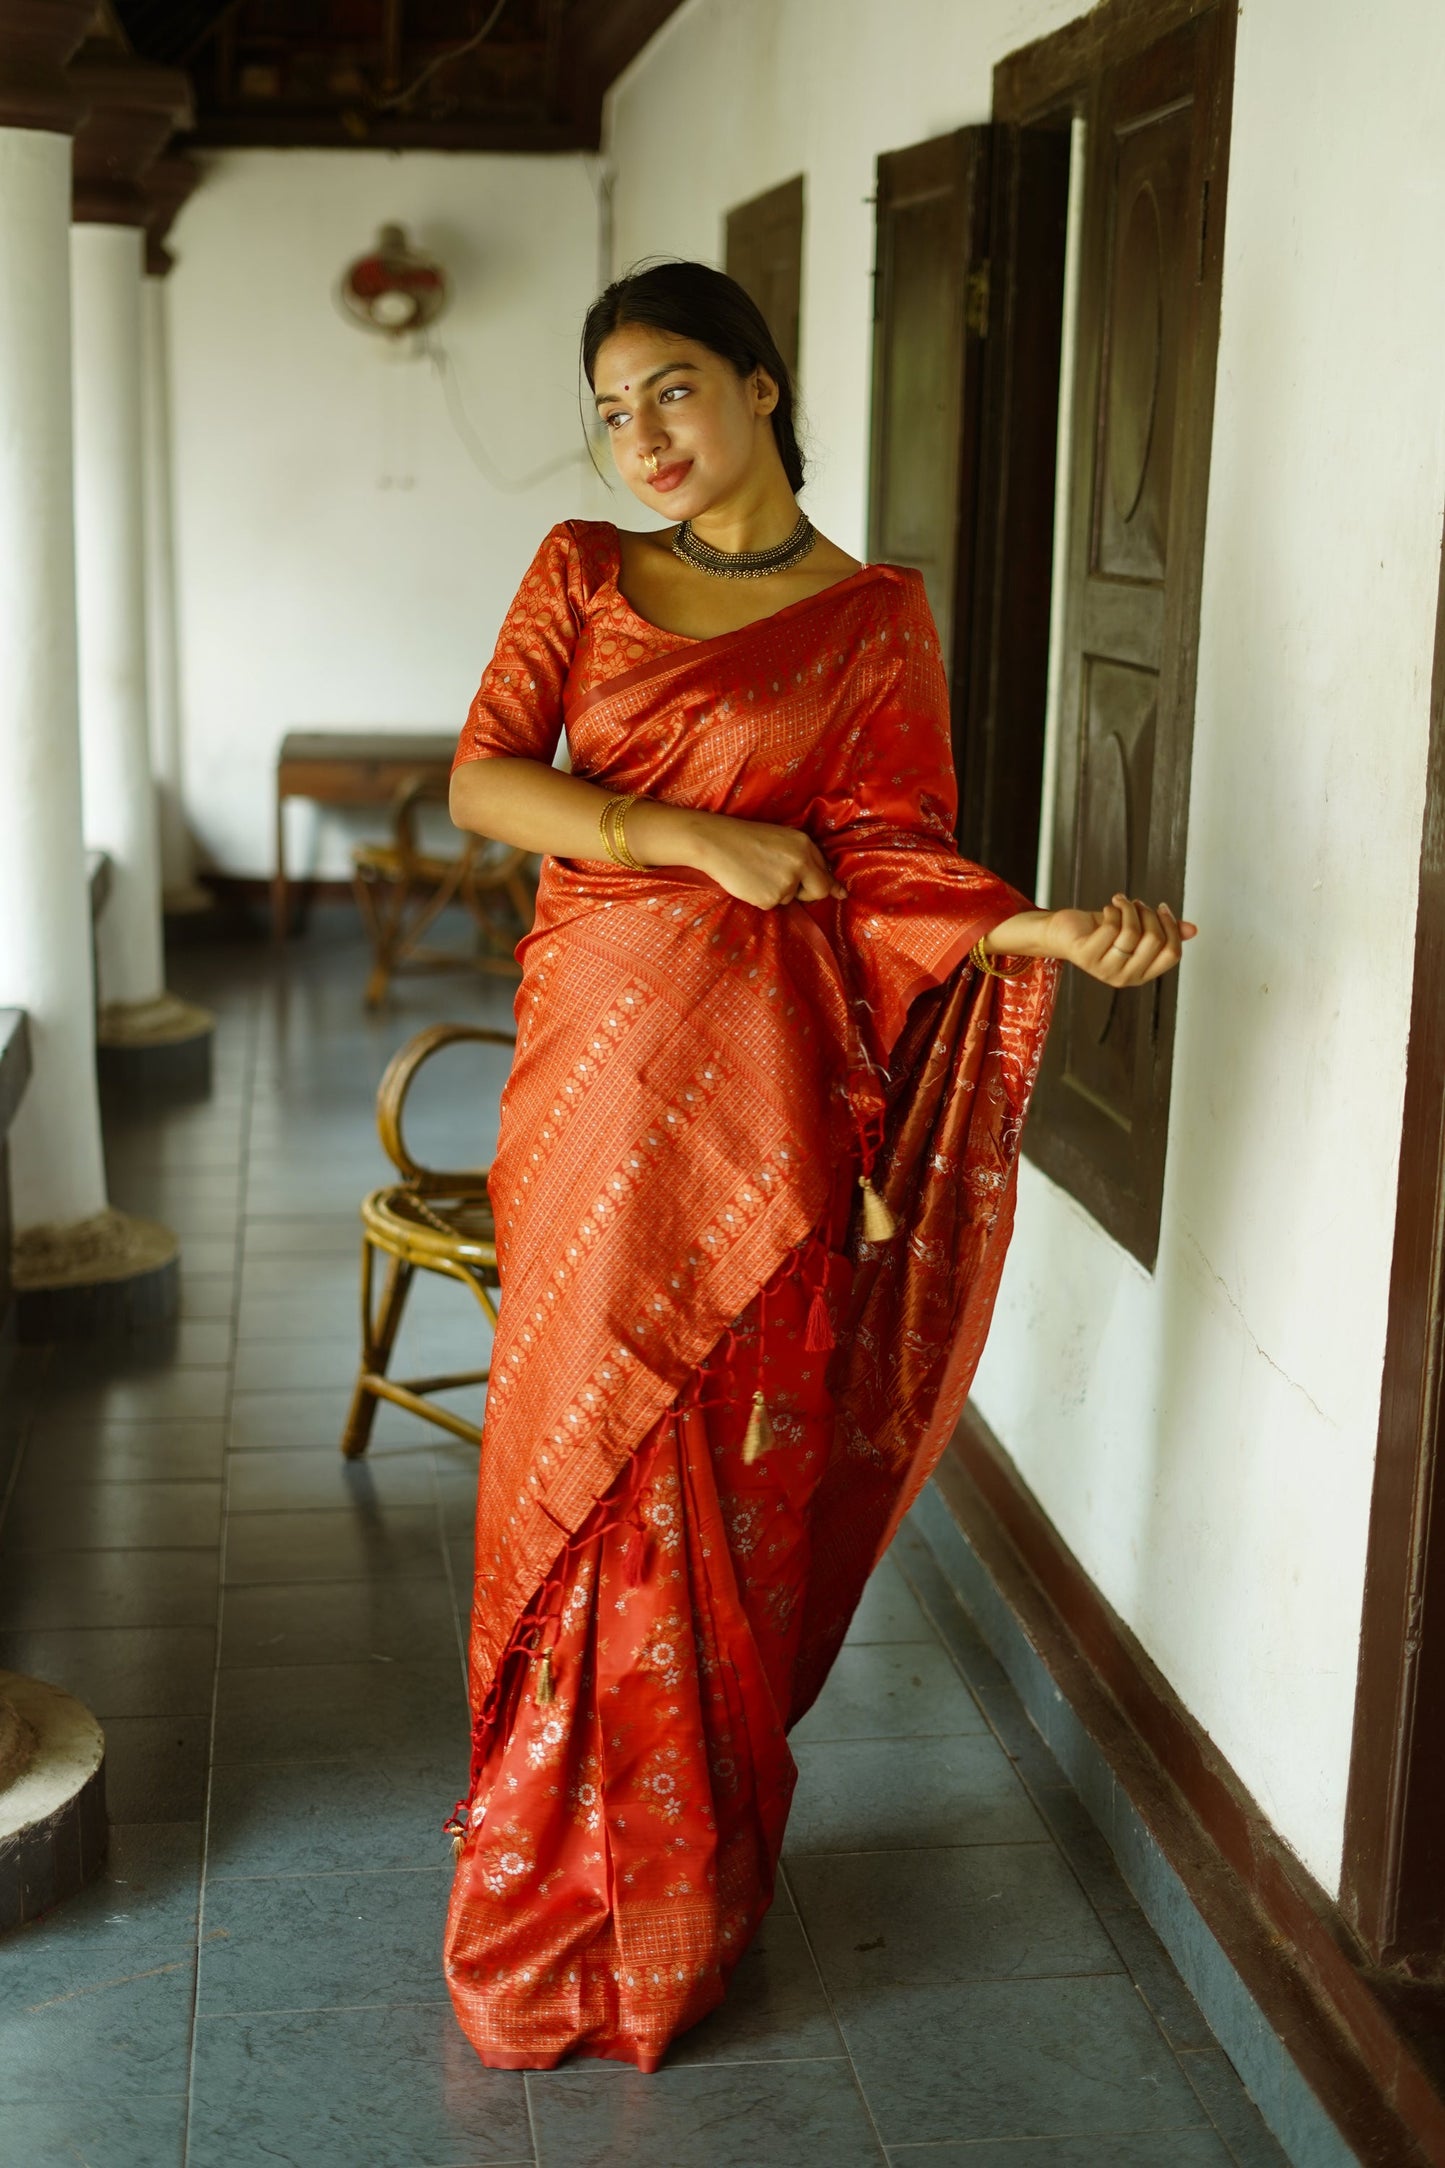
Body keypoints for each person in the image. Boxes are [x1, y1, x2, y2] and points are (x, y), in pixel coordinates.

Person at [442, 259, 1196, 2073]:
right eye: (615, 409)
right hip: (593, 1079)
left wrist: (1043, 941)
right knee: (581, 1457)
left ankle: (680, 1888)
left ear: (764, 386)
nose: (644, 440)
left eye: (677, 391)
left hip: (762, 1092)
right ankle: (545, 1892)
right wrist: (680, 834)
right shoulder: (579, 570)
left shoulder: (873, 621)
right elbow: (482, 782)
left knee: (721, 1461)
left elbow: (887, 856)